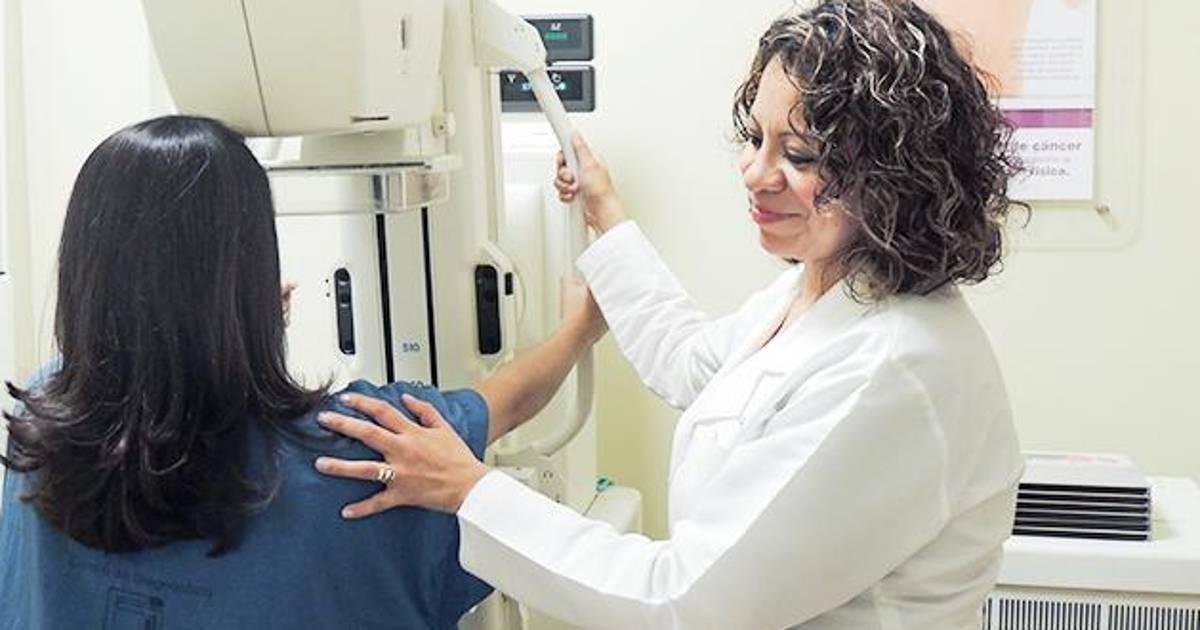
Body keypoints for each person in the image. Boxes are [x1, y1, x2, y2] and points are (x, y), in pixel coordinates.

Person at [314, 1, 1025, 628]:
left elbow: (684, 601)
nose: (756, 174)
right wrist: (603, 208)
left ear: (899, 174)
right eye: (755, 138)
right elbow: (690, 362)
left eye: (800, 154)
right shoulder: (822, 289)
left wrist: (470, 491)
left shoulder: (895, 366)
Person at [0, 116, 603, 630]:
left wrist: (233, 326)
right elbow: (508, 403)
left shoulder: (41, 422)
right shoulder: (354, 453)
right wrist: (580, 327)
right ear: (253, 267)